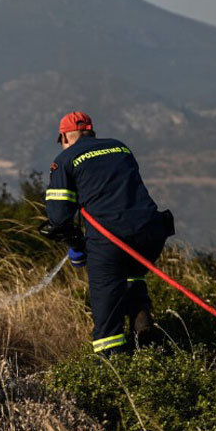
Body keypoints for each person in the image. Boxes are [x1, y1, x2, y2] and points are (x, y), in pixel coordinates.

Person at [40, 111, 174, 355]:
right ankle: (143, 331)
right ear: (91, 132)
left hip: (112, 239)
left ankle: (114, 375)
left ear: (64, 137)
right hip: (151, 233)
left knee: (107, 319)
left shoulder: (65, 159)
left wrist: (77, 247)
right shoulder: (120, 148)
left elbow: (58, 218)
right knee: (132, 273)